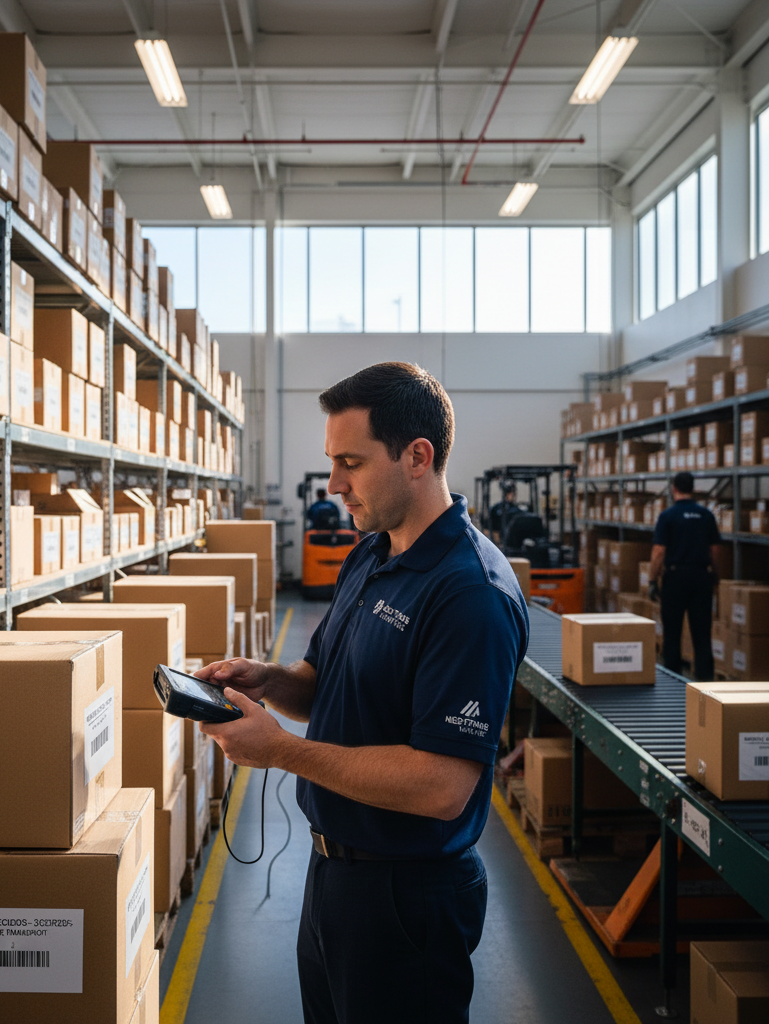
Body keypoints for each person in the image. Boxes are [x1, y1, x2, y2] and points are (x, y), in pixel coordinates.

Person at [196, 361, 529, 1024]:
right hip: (332, 879)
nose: (334, 484)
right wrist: (270, 682)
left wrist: (282, 751)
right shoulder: (370, 554)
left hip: (408, 901)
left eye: (351, 461)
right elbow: (325, 685)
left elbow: (443, 785)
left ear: (417, 456)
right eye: (331, 461)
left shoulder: (469, 594)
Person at [649, 471, 722, 680]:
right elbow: (715, 550)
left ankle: (673, 682)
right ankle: (706, 683)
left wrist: (653, 580)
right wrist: (716, 575)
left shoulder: (667, 516)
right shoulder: (706, 515)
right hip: (701, 578)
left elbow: (659, 552)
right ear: (693, 488)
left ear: (674, 489)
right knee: (702, 634)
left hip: (675, 579)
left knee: (672, 633)